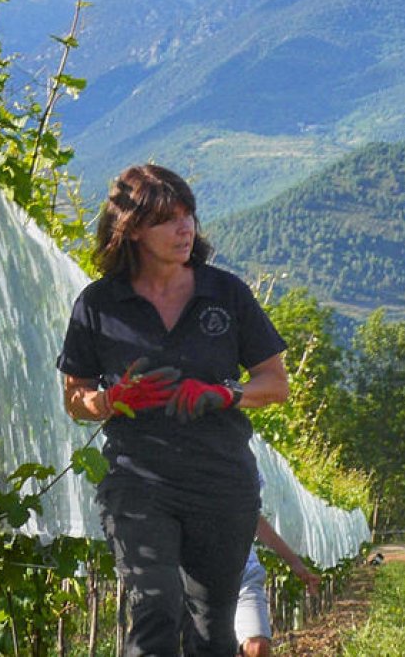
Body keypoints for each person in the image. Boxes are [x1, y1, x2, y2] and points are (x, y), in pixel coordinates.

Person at [57, 164, 290, 655]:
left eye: (189, 216)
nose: (185, 229)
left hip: (222, 483)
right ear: (134, 229)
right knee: (156, 607)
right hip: (137, 481)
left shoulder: (226, 294)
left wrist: (226, 393)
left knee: (211, 627)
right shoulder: (99, 304)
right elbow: (74, 396)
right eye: (168, 219)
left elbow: (275, 383)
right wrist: (109, 400)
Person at [235, 515, 321, 657]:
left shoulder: (239, 494)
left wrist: (295, 563)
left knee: (257, 647)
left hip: (245, 576)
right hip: (197, 579)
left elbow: (253, 516)